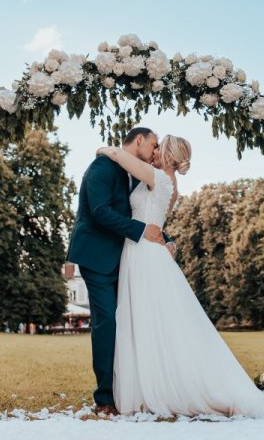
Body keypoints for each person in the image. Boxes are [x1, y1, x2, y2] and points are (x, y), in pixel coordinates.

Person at [96, 134, 264, 418]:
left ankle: (152, 388)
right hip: (149, 250)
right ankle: (152, 385)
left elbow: (119, 156)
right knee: (155, 321)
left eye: (157, 146)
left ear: (165, 154)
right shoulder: (172, 185)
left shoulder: (154, 175)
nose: (152, 150)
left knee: (143, 318)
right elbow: (157, 219)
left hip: (142, 252)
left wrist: (102, 149)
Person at [66, 127, 175, 417]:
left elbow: (141, 213)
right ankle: (104, 398)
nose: (155, 152)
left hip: (125, 257)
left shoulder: (132, 173)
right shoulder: (102, 166)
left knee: (129, 323)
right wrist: (142, 231)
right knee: (107, 323)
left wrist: (166, 238)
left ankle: (130, 389)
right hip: (97, 257)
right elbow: (99, 212)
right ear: (139, 140)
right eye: (152, 146)